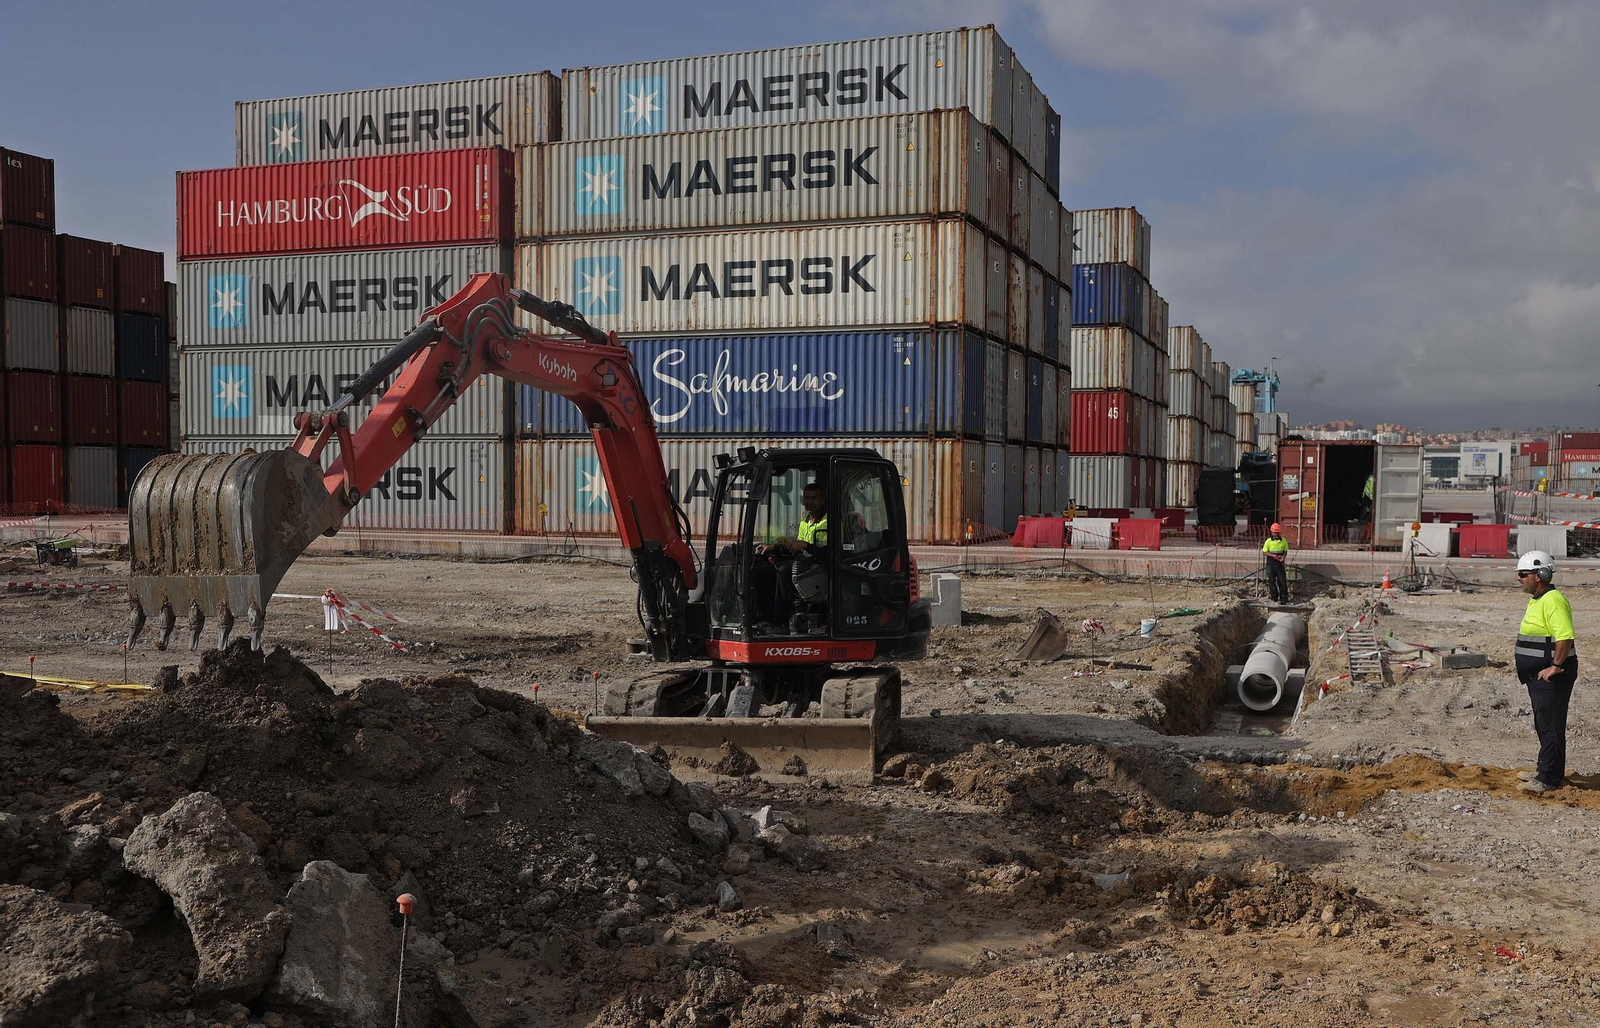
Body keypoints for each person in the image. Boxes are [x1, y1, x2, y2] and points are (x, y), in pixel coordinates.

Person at [1513, 550, 1578, 794]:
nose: (1519, 578)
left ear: (1540, 574)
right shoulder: (1539, 599)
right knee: (1543, 723)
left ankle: (1549, 779)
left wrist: (1556, 666)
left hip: (1553, 674)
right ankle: (1545, 769)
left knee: (1551, 724)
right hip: (1538, 675)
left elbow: (1565, 637)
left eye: (1523, 574)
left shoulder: (1553, 600)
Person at [1262, 523, 1289, 603]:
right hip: (1271, 564)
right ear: (1272, 532)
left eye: (1277, 532)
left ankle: (1284, 599)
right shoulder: (1268, 541)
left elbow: (1285, 551)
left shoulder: (1284, 541)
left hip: (1280, 564)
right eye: (1275, 532)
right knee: (1271, 581)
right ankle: (1274, 598)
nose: (1276, 534)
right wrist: (1273, 555)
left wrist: (1283, 557)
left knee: (1282, 581)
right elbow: (1264, 552)